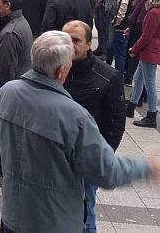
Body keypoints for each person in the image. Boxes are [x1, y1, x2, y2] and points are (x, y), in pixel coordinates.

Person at [0, 30, 160, 233]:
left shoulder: (7, 92)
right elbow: (107, 172)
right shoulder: (75, 116)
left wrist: (15, 176)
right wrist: (145, 165)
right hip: (56, 222)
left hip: (13, 217)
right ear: (61, 71)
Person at [62, 21, 127, 233]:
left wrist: (100, 158)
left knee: (85, 214)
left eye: (76, 40)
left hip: (86, 161)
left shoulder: (108, 76)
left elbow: (116, 123)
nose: (69, 45)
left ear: (89, 44)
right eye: (65, 39)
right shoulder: (54, 69)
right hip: (56, 156)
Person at [0, 0, 33, 187]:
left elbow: (4, 71)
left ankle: (7, 172)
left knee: (1, 135)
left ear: (8, 5)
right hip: (18, 90)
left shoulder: (10, 33)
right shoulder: (19, 23)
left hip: (9, 95)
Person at [126, 0, 160, 127]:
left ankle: (152, 115)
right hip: (152, 48)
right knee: (138, 78)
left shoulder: (154, 12)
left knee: (149, 83)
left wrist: (134, 49)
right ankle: (131, 107)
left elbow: (146, 36)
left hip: (149, 50)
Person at [110, 0, 140, 77]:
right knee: (131, 53)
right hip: (135, 28)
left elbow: (121, 14)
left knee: (120, 54)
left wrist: (115, 24)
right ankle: (129, 76)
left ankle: (118, 75)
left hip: (122, 28)